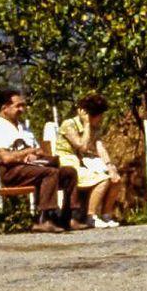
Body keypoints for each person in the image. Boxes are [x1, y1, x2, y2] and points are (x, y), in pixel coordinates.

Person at [0, 90, 81, 233]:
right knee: (50, 173)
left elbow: (38, 150)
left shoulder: (24, 129)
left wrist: (36, 154)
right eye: (18, 106)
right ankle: (44, 219)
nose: (22, 110)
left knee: (69, 172)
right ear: (4, 108)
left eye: (23, 106)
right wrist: (27, 152)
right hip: (12, 172)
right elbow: (6, 158)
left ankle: (69, 218)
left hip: (33, 168)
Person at [54, 92, 125, 228]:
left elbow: (99, 146)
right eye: (99, 116)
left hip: (84, 162)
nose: (101, 119)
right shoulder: (68, 124)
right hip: (68, 163)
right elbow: (83, 146)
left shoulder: (94, 127)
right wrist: (86, 124)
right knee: (102, 180)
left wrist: (110, 166)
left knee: (115, 179)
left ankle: (106, 214)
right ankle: (91, 216)